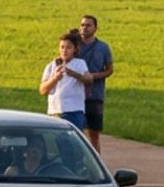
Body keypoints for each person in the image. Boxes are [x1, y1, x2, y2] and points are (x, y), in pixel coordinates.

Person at [40, 31, 92, 137]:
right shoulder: (51, 66)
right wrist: (55, 78)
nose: (64, 50)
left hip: (73, 111)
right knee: (59, 141)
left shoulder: (80, 63)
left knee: (72, 142)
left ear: (75, 49)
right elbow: (43, 89)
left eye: (68, 47)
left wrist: (73, 74)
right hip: (55, 111)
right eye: (62, 47)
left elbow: (89, 80)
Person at [73, 14, 114, 148]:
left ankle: (96, 163)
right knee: (76, 133)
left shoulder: (103, 47)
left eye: (88, 25)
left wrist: (93, 76)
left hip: (95, 95)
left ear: (96, 28)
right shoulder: (74, 46)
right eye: (82, 25)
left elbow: (109, 70)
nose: (84, 28)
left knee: (94, 134)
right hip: (76, 94)